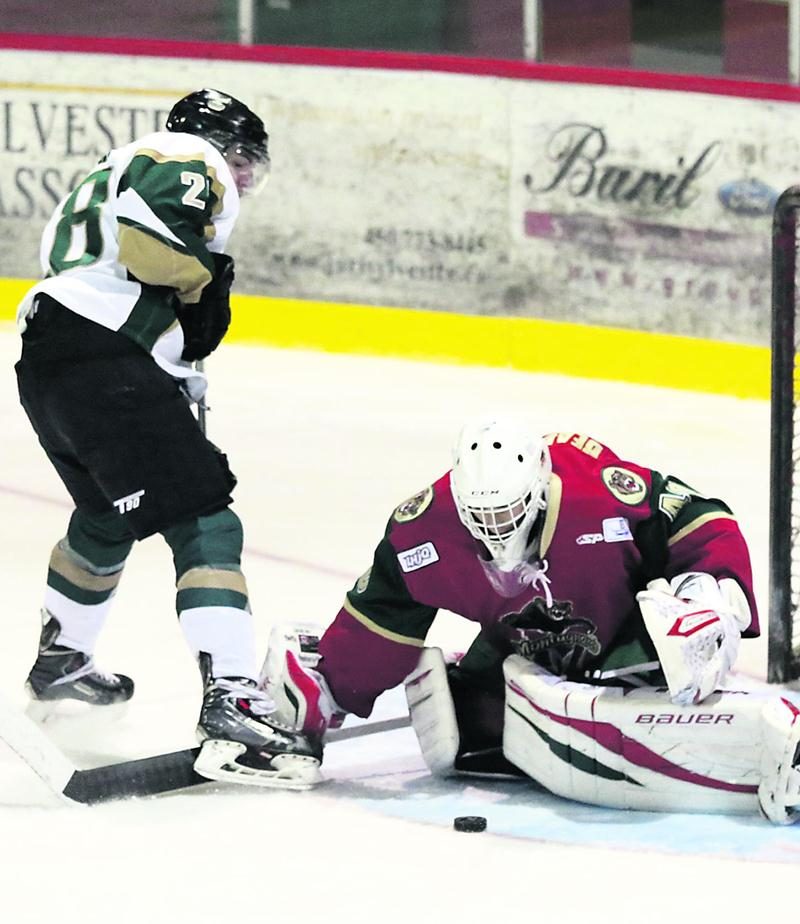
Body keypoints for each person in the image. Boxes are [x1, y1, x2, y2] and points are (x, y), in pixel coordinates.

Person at [261, 415, 800, 822]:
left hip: (626, 639)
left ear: (539, 488)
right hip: (521, 651)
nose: (496, 530)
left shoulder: (598, 489)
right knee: (460, 731)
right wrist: (329, 687)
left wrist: (710, 593)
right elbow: (384, 609)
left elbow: (701, 519)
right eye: (481, 517)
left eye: (507, 512)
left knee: (678, 654)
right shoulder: (427, 528)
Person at [14, 88, 320, 789]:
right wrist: (203, 283)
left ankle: (63, 660)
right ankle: (233, 702)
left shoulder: (112, 169)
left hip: (51, 359)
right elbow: (151, 250)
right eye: (240, 156)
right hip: (104, 355)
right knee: (205, 521)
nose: (243, 174)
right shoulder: (185, 152)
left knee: (103, 516)